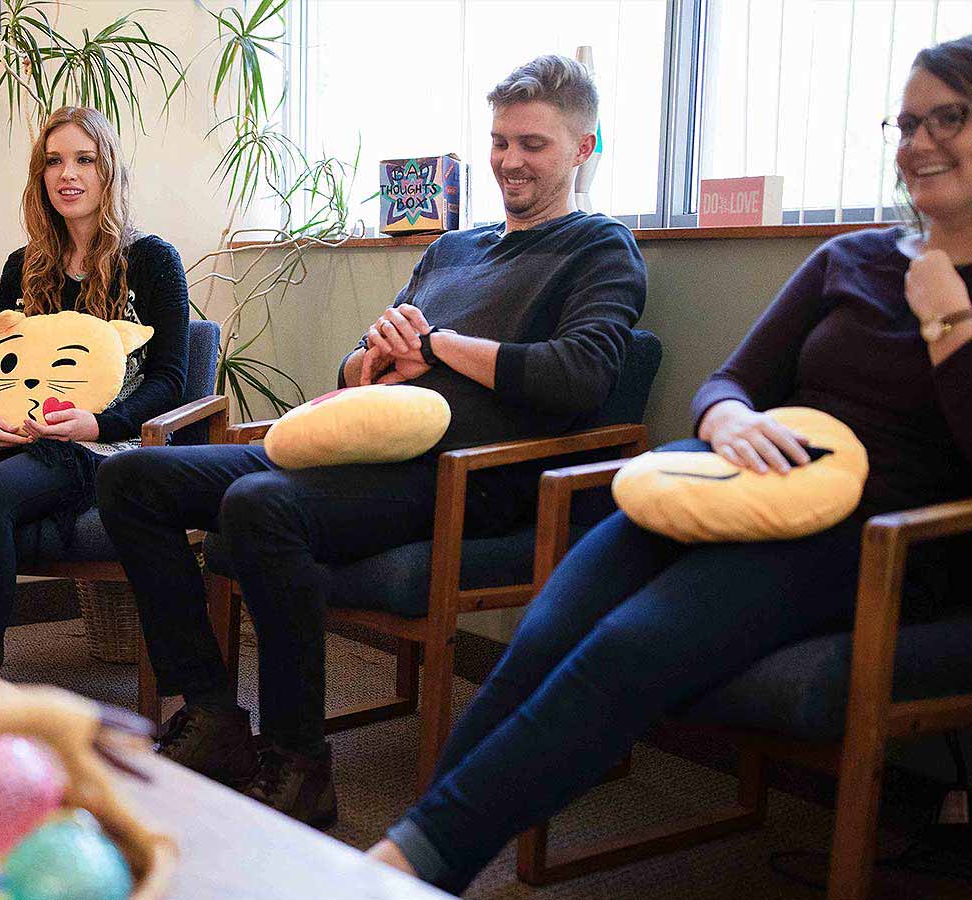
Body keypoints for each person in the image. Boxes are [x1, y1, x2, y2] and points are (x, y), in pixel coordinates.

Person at [368, 33, 972, 892]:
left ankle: (405, 870)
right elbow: (730, 381)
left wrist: (950, 323)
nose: (920, 142)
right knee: (545, 631)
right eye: (905, 122)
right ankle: (413, 850)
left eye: (950, 117)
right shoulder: (853, 257)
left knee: (627, 646)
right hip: (736, 480)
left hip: (880, 534)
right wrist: (725, 421)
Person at [97, 55, 647, 827]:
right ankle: (217, 716)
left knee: (261, 506)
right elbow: (355, 366)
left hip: (461, 473)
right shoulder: (451, 251)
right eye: (499, 141)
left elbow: (579, 377)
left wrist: (442, 346)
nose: (509, 161)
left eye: (533, 145)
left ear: (584, 148)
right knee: (134, 480)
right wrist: (375, 355)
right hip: (361, 441)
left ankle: (300, 763)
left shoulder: (600, 248)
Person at [0, 106, 190, 670]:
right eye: (53, 161)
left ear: (108, 173)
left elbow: (171, 380)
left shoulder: (152, 261)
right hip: (14, 430)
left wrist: (96, 424)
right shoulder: (23, 265)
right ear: (39, 176)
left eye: (84, 160)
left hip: (97, 443)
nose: (67, 174)